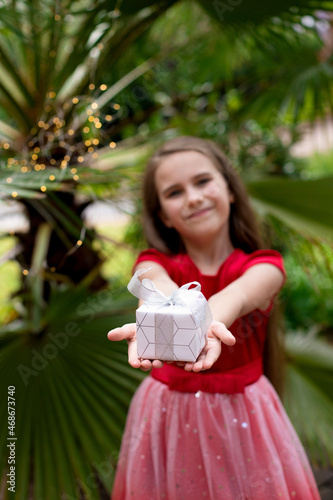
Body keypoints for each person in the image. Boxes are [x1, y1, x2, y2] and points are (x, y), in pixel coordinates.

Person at [107, 136, 320, 500]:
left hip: (246, 417)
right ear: (162, 216)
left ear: (230, 189)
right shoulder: (155, 263)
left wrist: (202, 321)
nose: (193, 197)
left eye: (203, 181)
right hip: (166, 416)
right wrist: (156, 307)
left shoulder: (265, 266)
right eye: (174, 192)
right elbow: (149, 279)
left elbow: (237, 295)